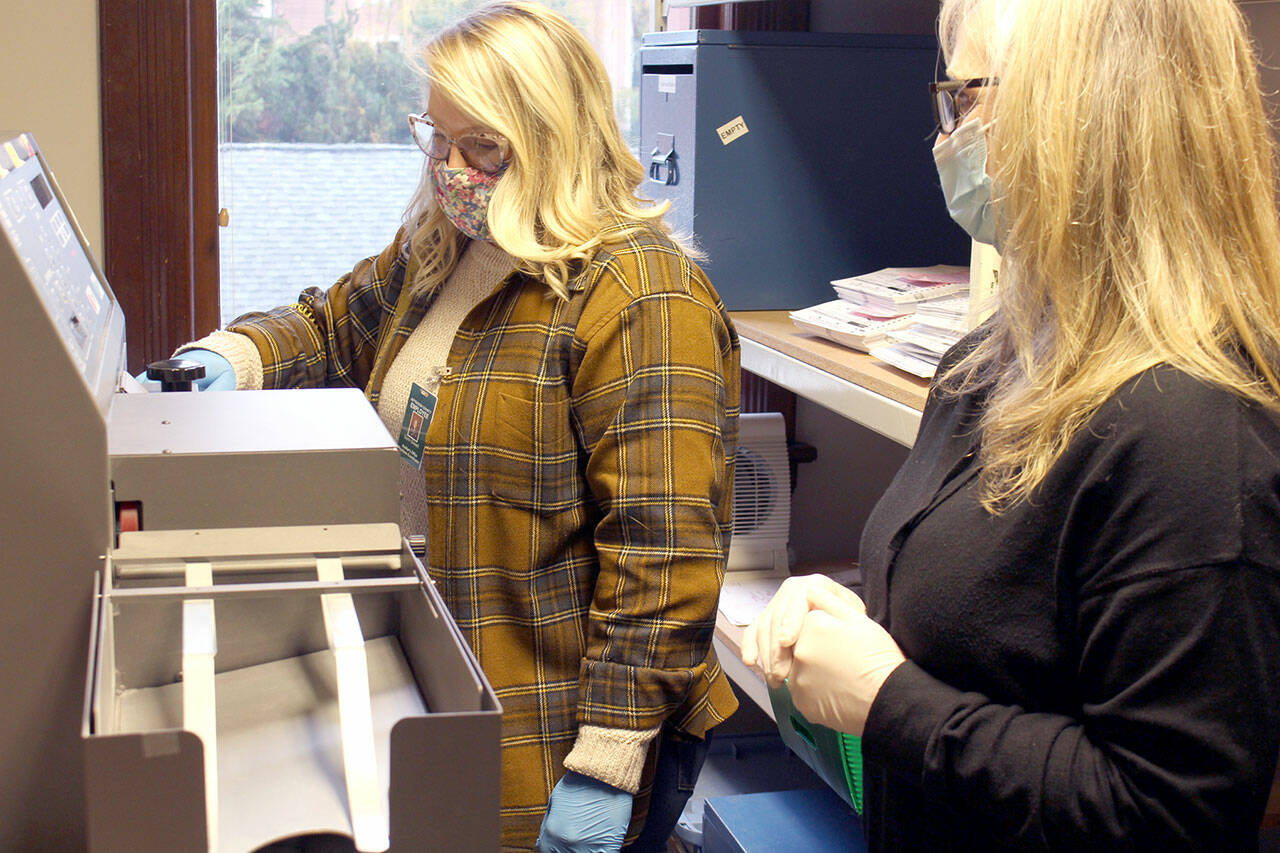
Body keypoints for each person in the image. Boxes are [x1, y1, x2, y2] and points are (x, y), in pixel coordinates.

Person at [162, 3, 740, 849]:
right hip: (448, 669)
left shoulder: (642, 299)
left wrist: (609, 759)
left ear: (554, 138)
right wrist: (231, 358)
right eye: (437, 139)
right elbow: (330, 324)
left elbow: (665, 561)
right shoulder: (448, 251)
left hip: (561, 724)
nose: (452, 170)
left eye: (483, 148)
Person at [742, 0, 1280, 849]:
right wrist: (845, 605)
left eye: (969, 98)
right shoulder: (991, 358)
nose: (947, 137)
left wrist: (889, 701)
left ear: (1084, 113)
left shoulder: (1197, 433)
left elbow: (1172, 811)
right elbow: (990, 619)